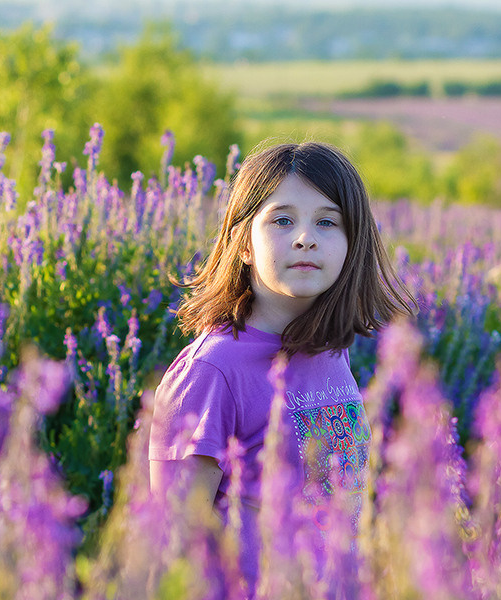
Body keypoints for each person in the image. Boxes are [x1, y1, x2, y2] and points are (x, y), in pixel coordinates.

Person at [148, 141, 416, 592]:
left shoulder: (330, 352)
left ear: (353, 246)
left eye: (328, 222)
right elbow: (176, 545)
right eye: (282, 220)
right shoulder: (211, 371)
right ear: (243, 244)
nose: (305, 237)